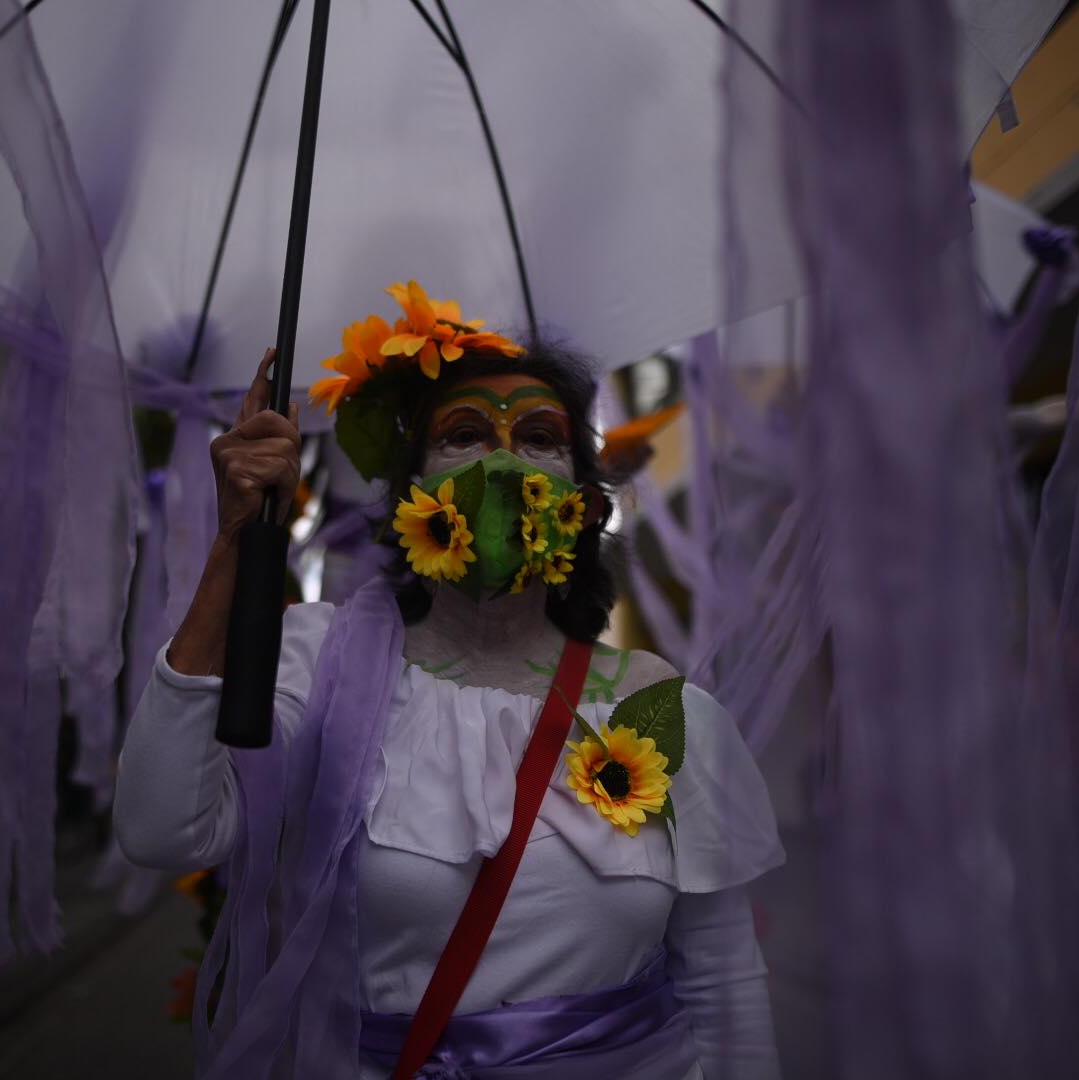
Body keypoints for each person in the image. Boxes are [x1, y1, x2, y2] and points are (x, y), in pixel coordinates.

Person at [115, 282, 784, 1078]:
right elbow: (162, 829)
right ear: (411, 491)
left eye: (539, 438)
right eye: (464, 436)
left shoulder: (658, 707)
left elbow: (724, 988)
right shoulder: (322, 660)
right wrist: (233, 541)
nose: (502, 460)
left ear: (584, 497)